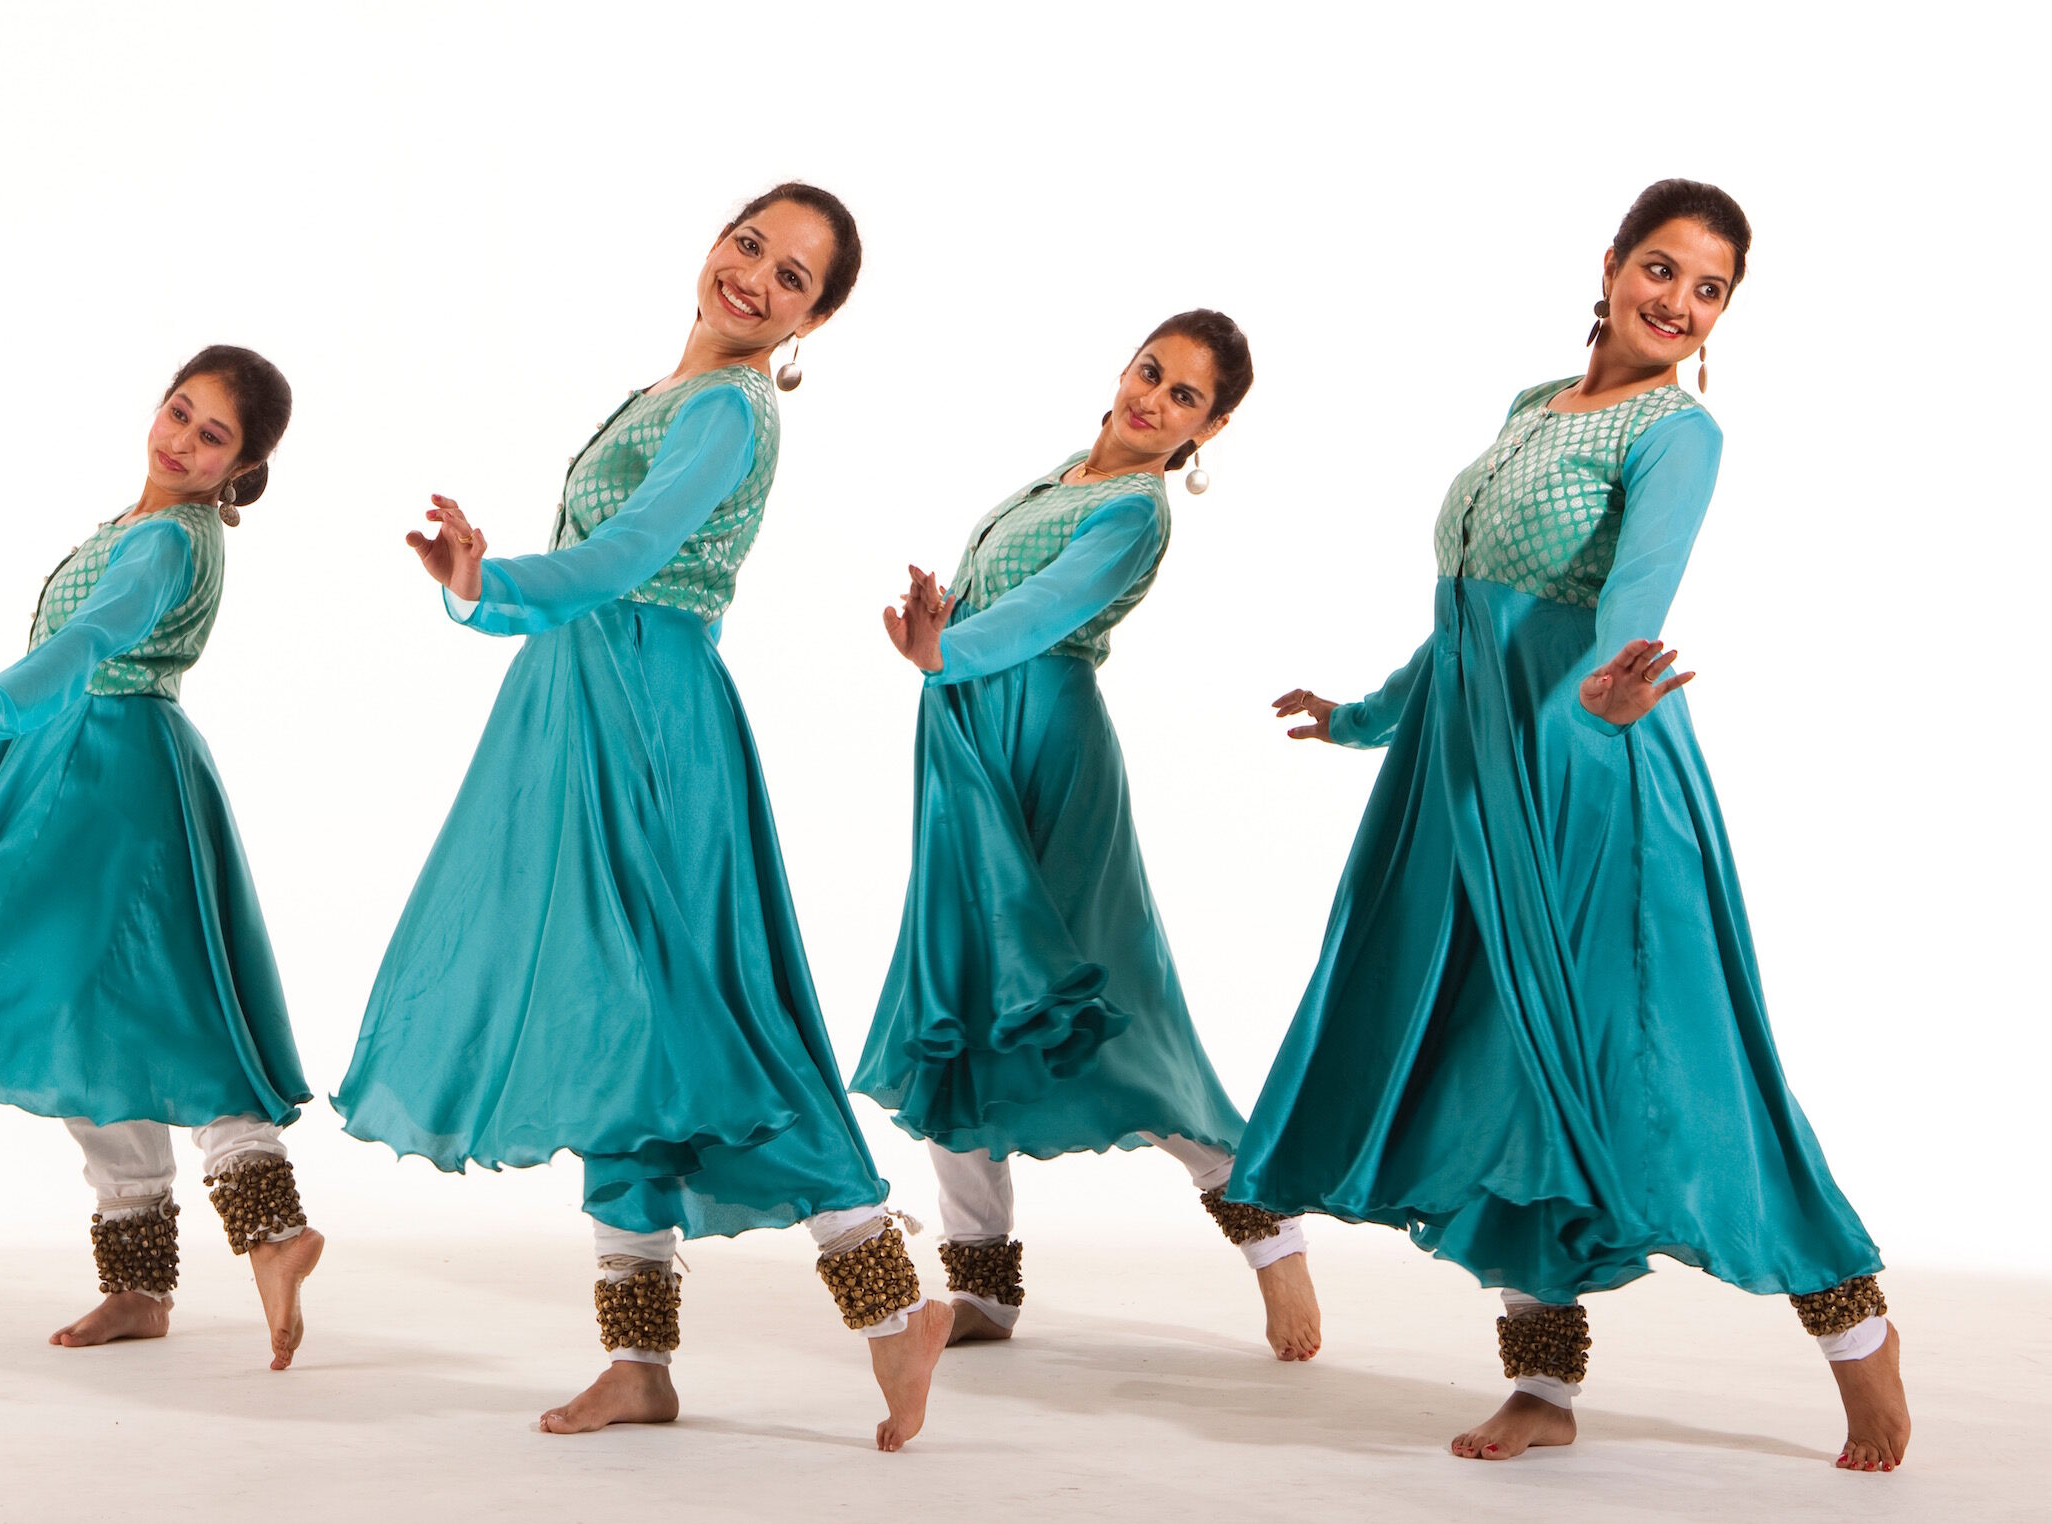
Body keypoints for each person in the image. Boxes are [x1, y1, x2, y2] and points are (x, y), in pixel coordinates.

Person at [1231, 180, 1910, 1471]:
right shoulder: (1533, 407)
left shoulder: (1679, 433)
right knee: (1501, 1072)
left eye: (1708, 289)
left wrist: (1605, 687)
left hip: (1593, 770)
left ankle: (1855, 1331)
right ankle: (1541, 1382)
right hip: (1470, 779)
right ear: (1608, 266)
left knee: (1678, 1070)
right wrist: (1369, 716)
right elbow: (1468, 609)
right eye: (1661, 268)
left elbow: (1637, 594)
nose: (1678, 302)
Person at [332, 183, 953, 1452]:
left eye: (792, 278)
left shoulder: (730, 410)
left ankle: (889, 1300)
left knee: (699, 1012)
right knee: (608, 1021)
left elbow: (622, 560)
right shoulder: (672, 393)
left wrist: (486, 581)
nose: (755, 278)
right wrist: (484, 598)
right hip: (578, 704)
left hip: (647, 711)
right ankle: (638, 1360)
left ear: (810, 323)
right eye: (749, 245)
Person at [0, 345, 323, 1371]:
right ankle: (156, 1277)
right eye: (181, 411)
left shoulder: (162, 544)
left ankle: (261, 1235)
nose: (182, 440)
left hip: (102, 780)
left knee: (126, 1004)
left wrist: (4, 696)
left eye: (212, 436)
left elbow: (95, 638)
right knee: (109, 1012)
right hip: (93, 765)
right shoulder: (146, 528)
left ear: (241, 468)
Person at [852, 311, 1321, 1363]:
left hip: (1044, 753)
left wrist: (943, 646)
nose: (1154, 398)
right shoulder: (1065, 473)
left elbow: (1035, 618)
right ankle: (981, 1282)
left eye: (1185, 396)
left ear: (1213, 425)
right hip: (969, 746)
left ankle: (1270, 1238)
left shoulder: (1136, 513)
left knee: (1108, 1007)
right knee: (960, 1000)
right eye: (1151, 371)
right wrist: (946, 656)